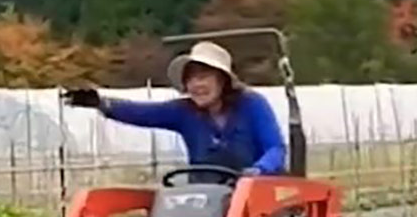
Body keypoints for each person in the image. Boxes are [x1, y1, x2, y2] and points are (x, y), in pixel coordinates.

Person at [63, 40, 287, 178]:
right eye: (191, 79)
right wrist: (101, 103)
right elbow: (142, 113)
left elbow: (275, 148)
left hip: (254, 196)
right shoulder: (184, 112)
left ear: (223, 80)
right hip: (207, 196)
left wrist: (259, 169)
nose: (196, 85)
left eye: (204, 77)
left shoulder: (252, 104)